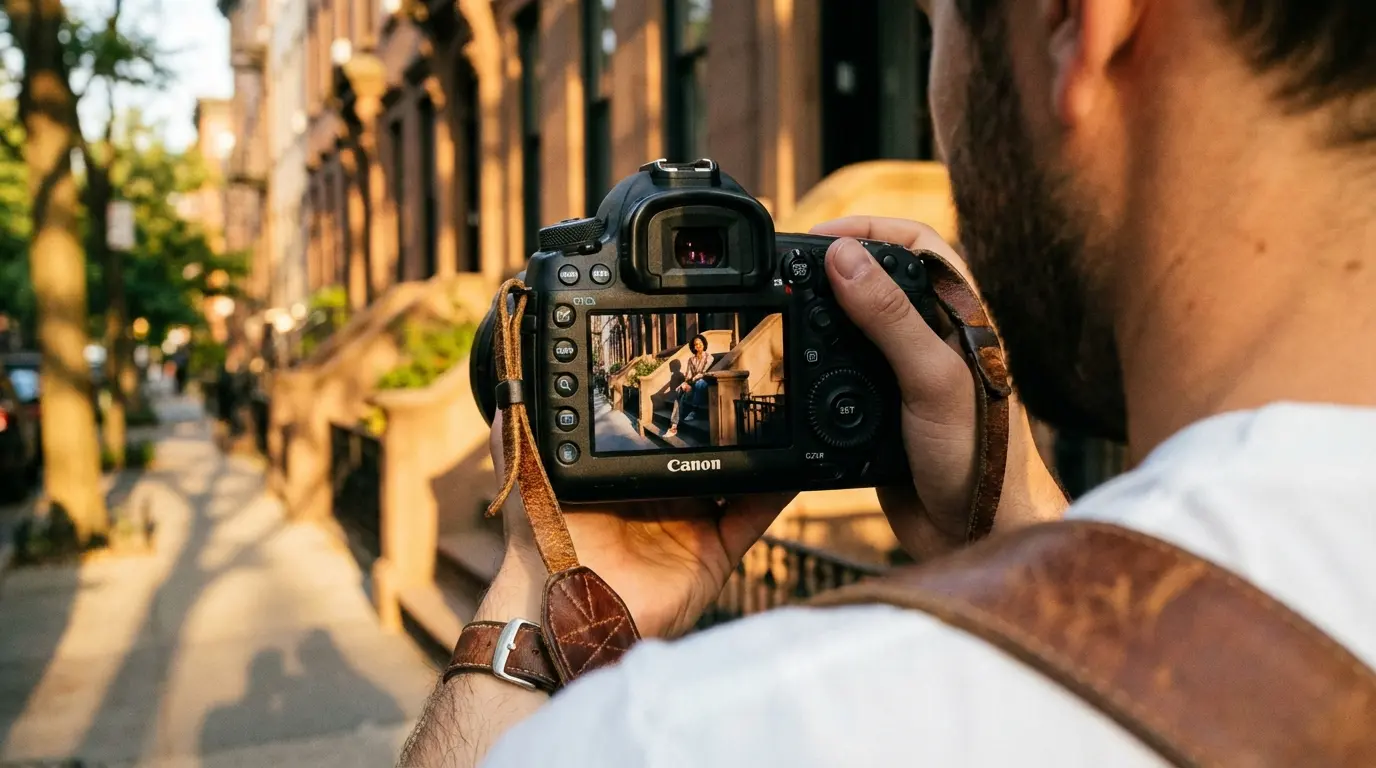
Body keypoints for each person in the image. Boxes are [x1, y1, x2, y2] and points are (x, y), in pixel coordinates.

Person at [399, 0, 1376, 765]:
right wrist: (1028, 543)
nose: (937, 97)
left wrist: (544, 599)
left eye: (933, 20)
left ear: (1074, 18)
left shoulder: (717, 735)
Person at [665, 334, 713, 438]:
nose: (699, 346)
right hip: (693, 384)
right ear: (694, 347)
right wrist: (684, 384)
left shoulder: (709, 357)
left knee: (700, 383)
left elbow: (703, 373)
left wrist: (692, 382)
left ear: (704, 345)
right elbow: (688, 375)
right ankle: (673, 426)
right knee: (679, 391)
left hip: (705, 385)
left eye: (700, 343)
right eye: (696, 344)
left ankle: (694, 411)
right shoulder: (691, 360)